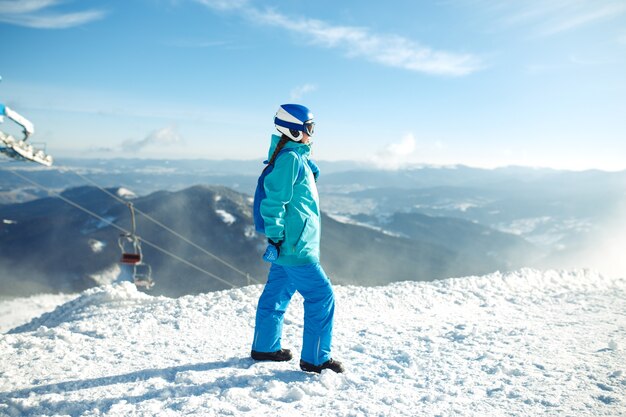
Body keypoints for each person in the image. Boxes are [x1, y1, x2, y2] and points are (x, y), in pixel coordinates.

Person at [251, 104, 344, 374]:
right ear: (293, 130)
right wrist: (278, 237)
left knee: (277, 293)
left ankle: (265, 347)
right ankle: (315, 359)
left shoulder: (294, 156)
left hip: (291, 242)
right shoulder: (290, 159)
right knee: (321, 296)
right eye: (309, 128)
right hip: (294, 245)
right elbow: (273, 202)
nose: (312, 133)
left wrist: (307, 157)